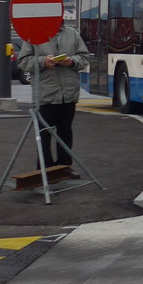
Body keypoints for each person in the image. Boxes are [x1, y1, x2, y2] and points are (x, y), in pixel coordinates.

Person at [18, 20, 90, 175]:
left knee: (65, 131)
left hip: (68, 93)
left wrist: (72, 61)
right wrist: (44, 61)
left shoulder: (72, 33)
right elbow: (23, 61)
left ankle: (64, 167)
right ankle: (45, 169)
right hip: (46, 93)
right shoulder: (34, 35)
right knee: (44, 133)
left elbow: (84, 57)